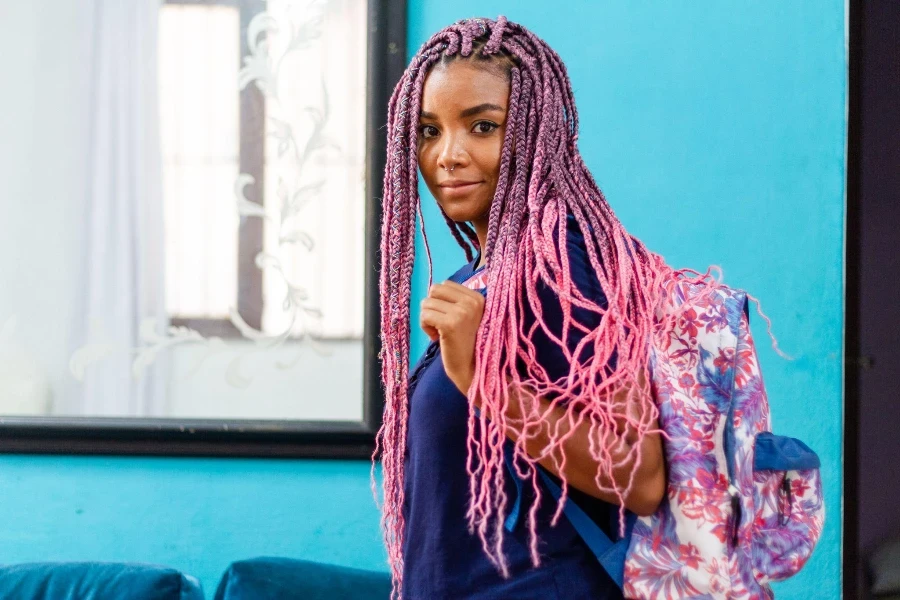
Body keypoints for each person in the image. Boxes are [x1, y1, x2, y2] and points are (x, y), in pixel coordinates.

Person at [375, 16, 673, 599]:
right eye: (428, 131)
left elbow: (639, 475)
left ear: (535, 134)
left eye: (482, 127)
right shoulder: (485, 275)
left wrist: (481, 376)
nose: (448, 155)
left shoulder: (562, 262)